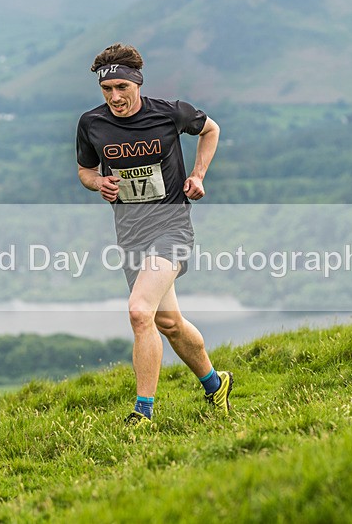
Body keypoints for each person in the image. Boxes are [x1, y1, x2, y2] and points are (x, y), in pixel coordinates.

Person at [76, 42, 233, 426]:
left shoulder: (170, 113)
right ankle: (216, 384)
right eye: (107, 90)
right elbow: (84, 171)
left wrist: (197, 175)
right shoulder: (91, 123)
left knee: (138, 311)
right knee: (169, 323)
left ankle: (142, 413)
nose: (114, 97)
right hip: (130, 236)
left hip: (171, 227)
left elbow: (210, 129)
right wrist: (99, 183)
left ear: (137, 85)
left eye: (121, 89)